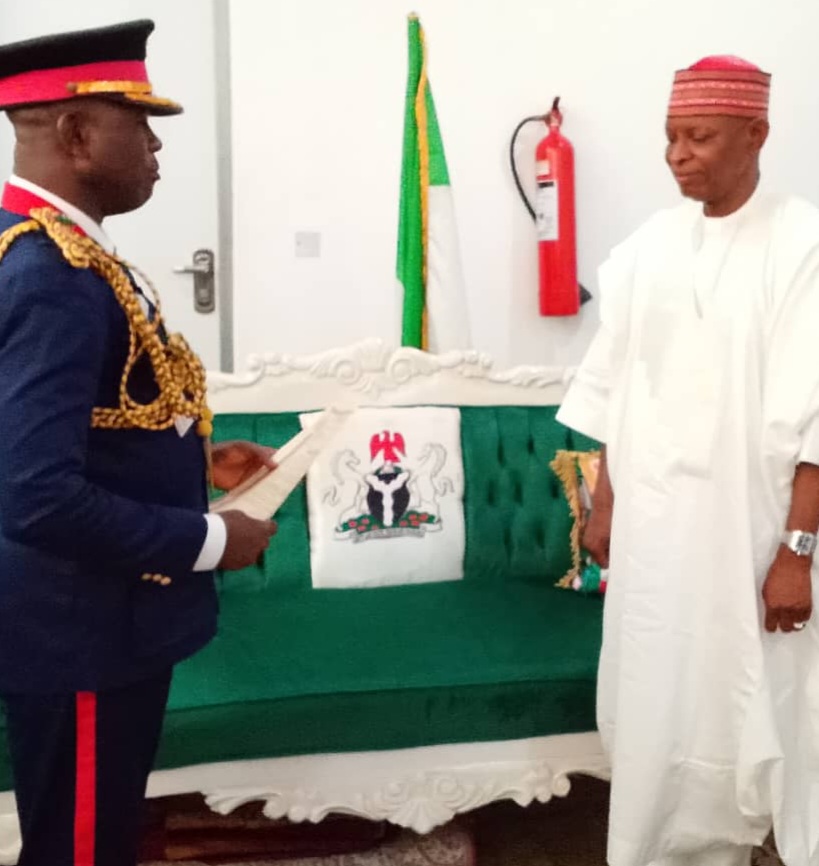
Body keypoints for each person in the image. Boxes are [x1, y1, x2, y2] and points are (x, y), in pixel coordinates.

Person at [0, 19, 278, 866]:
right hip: (79, 624)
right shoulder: (50, 274)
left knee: (99, 825)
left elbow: (85, 426)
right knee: (82, 844)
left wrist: (197, 465)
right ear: (78, 133)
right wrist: (207, 539)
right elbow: (34, 490)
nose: (157, 145)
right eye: (139, 122)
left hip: (92, 614)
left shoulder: (68, 255)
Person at [558, 55, 819, 866]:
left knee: (758, 698)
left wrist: (795, 552)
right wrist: (603, 506)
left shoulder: (800, 241)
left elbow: (815, 415)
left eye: (699, 136)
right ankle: (655, 845)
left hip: (750, 528)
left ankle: (759, 841)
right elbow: (610, 382)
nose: (677, 154)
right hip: (656, 527)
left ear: (756, 135)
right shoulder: (646, 248)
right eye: (670, 137)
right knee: (654, 686)